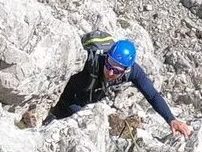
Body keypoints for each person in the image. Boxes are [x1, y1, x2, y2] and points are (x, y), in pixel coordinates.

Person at [46, 36, 191, 137]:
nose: (110, 72)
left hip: (89, 97)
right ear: (107, 57)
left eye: (116, 71)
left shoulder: (132, 71)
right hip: (69, 97)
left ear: (126, 69)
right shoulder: (91, 62)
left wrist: (171, 119)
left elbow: (152, 95)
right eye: (108, 65)